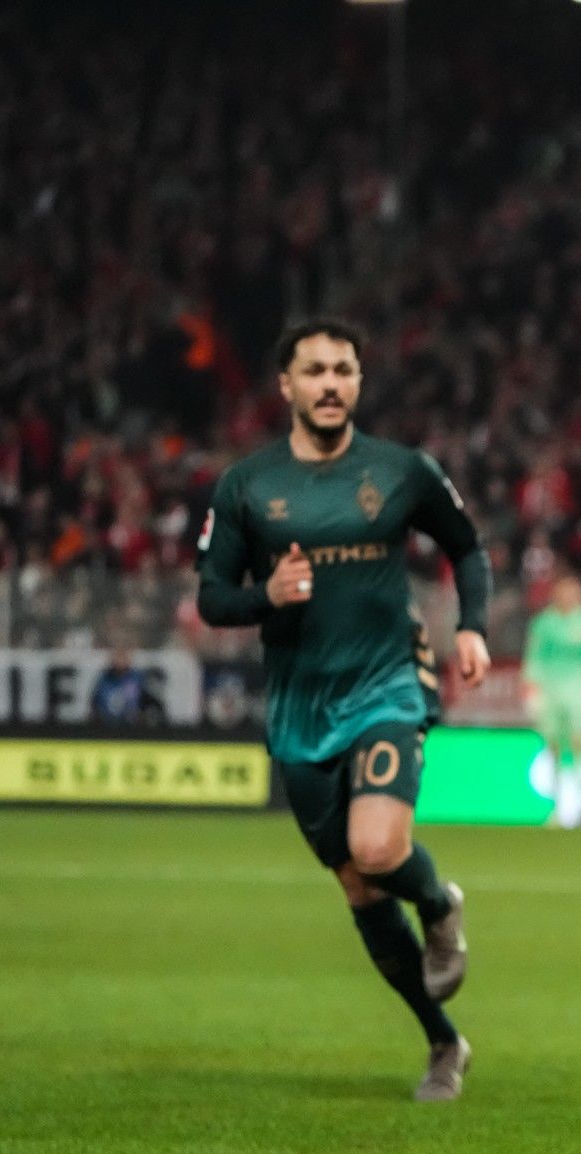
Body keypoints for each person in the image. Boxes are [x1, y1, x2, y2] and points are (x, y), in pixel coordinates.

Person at [195, 319, 493, 1102]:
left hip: (388, 682)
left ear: (359, 382)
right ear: (285, 386)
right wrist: (268, 594)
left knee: (379, 846)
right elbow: (212, 597)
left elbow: (467, 546)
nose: (331, 383)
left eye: (345, 370)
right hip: (299, 706)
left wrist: (471, 625)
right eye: (315, 371)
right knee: (359, 887)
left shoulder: (400, 471)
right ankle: (442, 1040)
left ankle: (437, 902)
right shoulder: (247, 485)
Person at [521, 574, 581, 827]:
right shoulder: (543, 623)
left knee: (579, 746)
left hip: (578, 692)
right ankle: (558, 807)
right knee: (553, 749)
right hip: (550, 692)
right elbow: (534, 658)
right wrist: (531, 691)